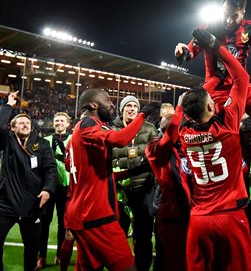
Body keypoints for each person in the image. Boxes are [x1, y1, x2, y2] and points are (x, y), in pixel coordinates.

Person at [178, 28, 251, 270]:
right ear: (212, 108)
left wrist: (210, 80)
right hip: (230, 216)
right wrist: (217, 47)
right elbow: (242, 77)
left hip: (199, 219)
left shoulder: (183, 132)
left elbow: (189, 106)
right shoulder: (229, 124)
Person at [63, 88, 159, 271]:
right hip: (95, 214)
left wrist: (133, 172)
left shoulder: (81, 128)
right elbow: (119, 139)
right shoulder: (88, 123)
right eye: (107, 100)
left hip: (83, 212)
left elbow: (96, 174)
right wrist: (143, 113)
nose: (112, 104)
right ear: (93, 104)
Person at [174, 0, 251, 140]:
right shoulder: (208, 26)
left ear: (243, 13)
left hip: (240, 86)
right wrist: (183, 51)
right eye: (225, 14)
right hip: (215, 89)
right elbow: (191, 50)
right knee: (219, 135)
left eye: (234, 16)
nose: (229, 20)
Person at [0, 91, 57, 271]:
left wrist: (48, 189)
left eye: (27, 123)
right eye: (20, 123)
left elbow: (50, 169)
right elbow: (0, 126)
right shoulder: (8, 141)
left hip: (33, 204)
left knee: (32, 249)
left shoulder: (42, 144)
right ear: (13, 128)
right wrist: (9, 105)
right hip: (6, 203)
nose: (25, 125)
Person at [111, 95, 158, 271]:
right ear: (122, 109)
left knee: (144, 233)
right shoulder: (112, 129)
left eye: (135, 106)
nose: (132, 109)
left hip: (143, 187)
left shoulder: (149, 128)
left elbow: (155, 154)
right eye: (128, 106)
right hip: (119, 189)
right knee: (117, 232)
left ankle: (143, 266)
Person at [145, 99, 192, 271]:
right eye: (165, 130)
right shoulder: (154, 148)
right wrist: (180, 107)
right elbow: (169, 136)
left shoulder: (190, 146)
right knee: (171, 262)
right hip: (172, 216)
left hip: (194, 215)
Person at [36, 112, 73, 270]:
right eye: (56, 121)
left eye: (61, 121)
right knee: (44, 223)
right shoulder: (46, 140)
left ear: (67, 124)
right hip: (49, 187)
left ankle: (59, 254)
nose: (58, 123)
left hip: (67, 186)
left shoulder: (73, 139)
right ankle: (41, 256)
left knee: (63, 224)